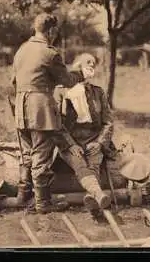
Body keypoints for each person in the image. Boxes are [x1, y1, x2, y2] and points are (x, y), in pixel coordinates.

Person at [11, 13, 94, 214]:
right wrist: (83, 73)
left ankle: (25, 196)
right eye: (55, 31)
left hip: (21, 108)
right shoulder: (49, 53)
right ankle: (42, 204)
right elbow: (66, 80)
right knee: (40, 155)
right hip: (40, 110)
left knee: (28, 154)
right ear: (51, 31)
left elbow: (14, 82)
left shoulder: (22, 50)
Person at [54, 53, 115, 220]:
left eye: (94, 64)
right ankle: (98, 194)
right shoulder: (61, 92)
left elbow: (108, 122)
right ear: (77, 66)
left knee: (94, 163)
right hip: (70, 140)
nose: (91, 66)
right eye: (87, 62)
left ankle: (92, 198)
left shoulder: (98, 92)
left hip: (93, 138)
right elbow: (57, 125)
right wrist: (71, 144)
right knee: (79, 162)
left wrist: (100, 143)